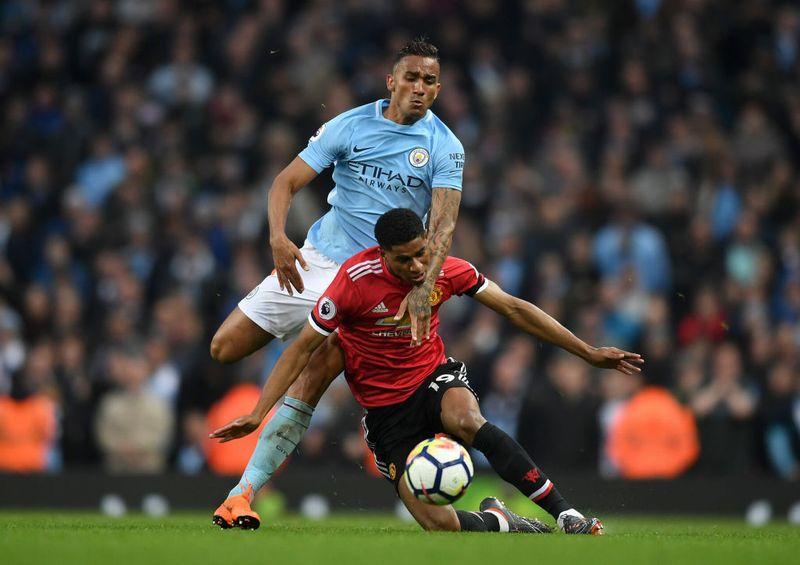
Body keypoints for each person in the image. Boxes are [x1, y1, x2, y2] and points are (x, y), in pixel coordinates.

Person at [211, 208, 644, 534]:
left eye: (421, 253)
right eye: (405, 260)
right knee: (440, 525)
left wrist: (587, 352)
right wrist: (259, 412)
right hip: (386, 414)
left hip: (432, 379)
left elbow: (514, 308)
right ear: (383, 254)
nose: (418, 267)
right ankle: (502, 521)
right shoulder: (353, 281)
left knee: (467, 419)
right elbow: (302, 347)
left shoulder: (444, 268)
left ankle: (566, 514)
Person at [209, 37, 465, 509]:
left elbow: (443, 226)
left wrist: (423, 288)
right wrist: (277, 238)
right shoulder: (349, 126)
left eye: (429, 80)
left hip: (374, 282)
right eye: (411, 77)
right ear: (391, 81)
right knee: (224, 348)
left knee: (312, 377)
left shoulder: (445, 147)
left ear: (438, 88)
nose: (419, 87)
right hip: (318, 261)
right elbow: (285, 182)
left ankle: (241, 493)